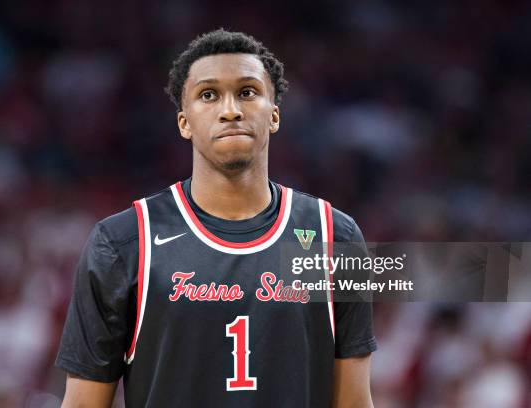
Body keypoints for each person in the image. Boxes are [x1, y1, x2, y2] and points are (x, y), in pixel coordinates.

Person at [55, 29, 377, 407]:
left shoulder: (334, 235)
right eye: (208, 95)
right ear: (184, 122)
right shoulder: (123, 242)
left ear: (274, 116)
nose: (231, 109)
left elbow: (354, 402)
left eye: (247, 92)